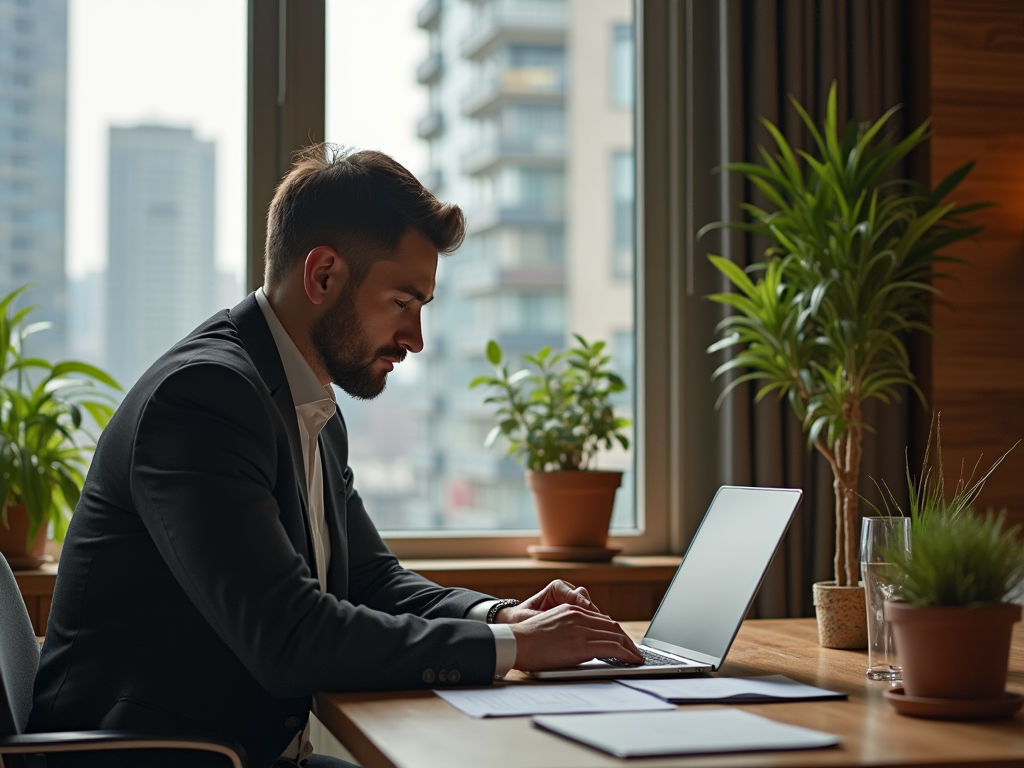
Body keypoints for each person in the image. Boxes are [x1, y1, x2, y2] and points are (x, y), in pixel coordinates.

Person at [29, 145, 642, 768]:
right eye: (403, 303)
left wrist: (503, 613)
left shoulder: (307, 406)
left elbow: (373, 581)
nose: (416, 339)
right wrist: (513, 647)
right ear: (322, 275)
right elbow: (291, 638)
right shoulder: (203, 400)